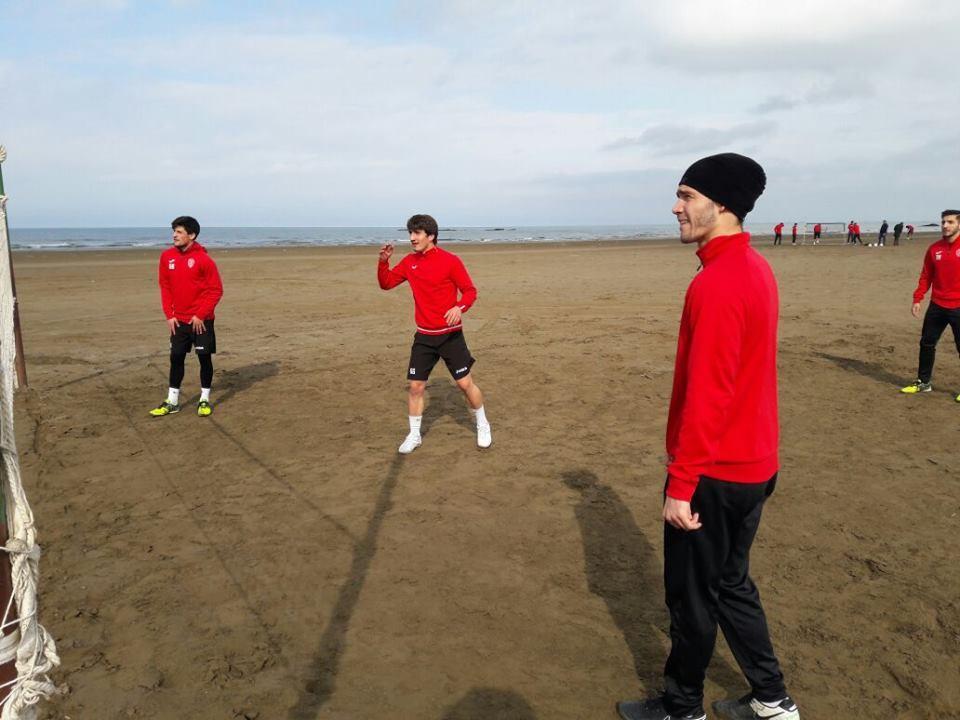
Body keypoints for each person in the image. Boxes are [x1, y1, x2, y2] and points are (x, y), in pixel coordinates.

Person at [616, 154, 799, 720]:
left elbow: (709, 394)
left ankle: (682, 706)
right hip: (753, 465)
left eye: (687, 195)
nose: (676, 207)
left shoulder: (719, 282)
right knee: (730, 583)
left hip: (716, 472)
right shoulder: (752, 266)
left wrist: (681, 483)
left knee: (692, 596)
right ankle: (772, 700)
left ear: (721, 204)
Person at [378, 214, 492, 452]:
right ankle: (414, 435)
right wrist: (383, 262)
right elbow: (386, 283)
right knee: (416, 387)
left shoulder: (450, 261)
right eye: (410, 233)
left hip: (450, 335)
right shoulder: (409, 262)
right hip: (424, 336)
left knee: (465, 384)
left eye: (417, 233)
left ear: (430, 236)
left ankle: (482, 424)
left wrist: (459, 308)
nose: (412, 238)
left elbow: (469, 291)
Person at [150, 216, 224, 418]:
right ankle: (172, 401)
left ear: (191, 235)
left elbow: (216, 290)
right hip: (178, 320)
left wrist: (200, 315)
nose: (174, 235)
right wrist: (169, 314)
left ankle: (204, 399)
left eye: (179, 232)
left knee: (204, 359)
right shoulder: (167, 257)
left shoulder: (204, 259)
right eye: (174, 231)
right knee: (176, 358)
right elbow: (165, 286)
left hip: (201, 321)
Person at [900, 210, 960, 401]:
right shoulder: (934, 249)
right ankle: (923, 382)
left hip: (958, 306)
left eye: (950, 222)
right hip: (937, 305)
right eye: (943, 222)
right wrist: (917, 298)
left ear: (959, 224)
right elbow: (926, 276)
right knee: (927, 343)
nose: (945, 225)